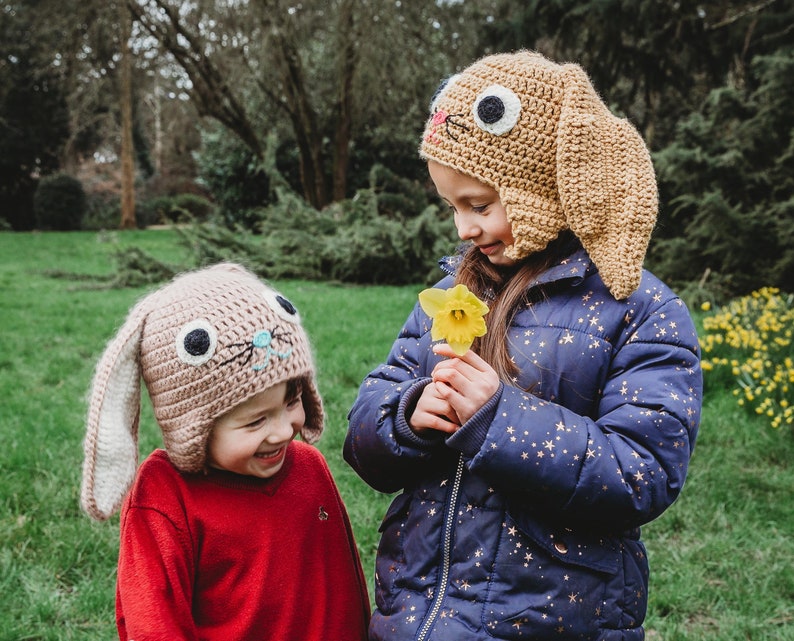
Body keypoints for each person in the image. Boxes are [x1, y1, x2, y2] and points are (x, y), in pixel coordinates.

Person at [345, 51, 702, 641]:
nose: (463, 229)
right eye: (453, 207)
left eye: (479, 206)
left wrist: (498, 420)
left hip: (546, 617)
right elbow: (365, 431)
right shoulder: (449, 294)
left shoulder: (638, 310)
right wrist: (406, 417)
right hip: (418, 613)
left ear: (545, 184)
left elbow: (643, 473)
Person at [81, 263, 370, 641]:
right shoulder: (165, 499)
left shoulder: (309, 468)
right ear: (193, 427)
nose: (284, 430)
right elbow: (154, 625)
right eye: (255, 422)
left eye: (292, 400)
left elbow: (345, 591)